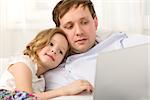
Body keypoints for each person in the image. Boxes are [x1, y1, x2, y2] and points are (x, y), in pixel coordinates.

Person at [44, 0, 150, 91]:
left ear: (95, 23)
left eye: (84, 22)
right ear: (59, 31)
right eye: (69, 26)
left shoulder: (119, 41)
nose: (79, 32)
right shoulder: (52, 68)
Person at [0, 27, 93, 100]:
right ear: (39, 42)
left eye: (60, 52)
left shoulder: (42, 81)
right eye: (51, 44)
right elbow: (25, 97)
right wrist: (65, 90)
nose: (54, 51)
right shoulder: (23, 64)